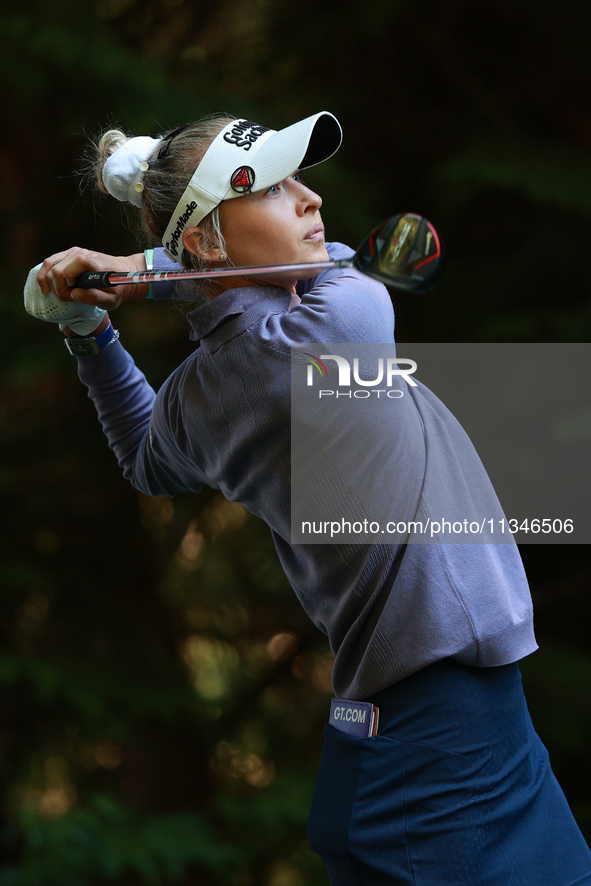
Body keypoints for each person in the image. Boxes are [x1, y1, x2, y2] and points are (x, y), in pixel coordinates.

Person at [29, 111, 591, 885]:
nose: (311, 200)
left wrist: (91, 331)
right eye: (270, 186)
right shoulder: (328, 329)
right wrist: (154, 266)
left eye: (301, 178)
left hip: (446, 736)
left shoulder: (201, 391)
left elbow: (144, 457)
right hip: (438, 759)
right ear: (201, 240)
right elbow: (343, 269)